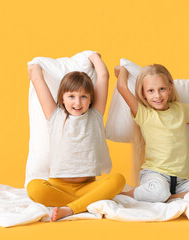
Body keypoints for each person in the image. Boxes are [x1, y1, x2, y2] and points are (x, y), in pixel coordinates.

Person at [26, 53, 125, 221]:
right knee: (34, 188)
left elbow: (103, 75)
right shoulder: (55, 115)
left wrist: (94, 57)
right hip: (59, 187)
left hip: (88, 186)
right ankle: (86, 204)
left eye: (83, 97)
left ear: (90, 99)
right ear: (62, 99)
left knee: (118, 180)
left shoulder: (95, 115)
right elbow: (37, 80)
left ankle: (71, 209)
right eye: (71, 96)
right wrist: (35, 67)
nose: (77, 103)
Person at [116, 64, 189, 202]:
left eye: (162, 89)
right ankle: (127, 195)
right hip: (155, 175)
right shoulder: (144, 113)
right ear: (143, 94)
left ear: (170, 88)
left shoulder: (180, 110)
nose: (157, 95)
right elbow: (122, 87)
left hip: (180, 182)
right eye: (151, 91)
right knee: (158, 190)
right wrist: (122, 69)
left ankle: (170, 197)